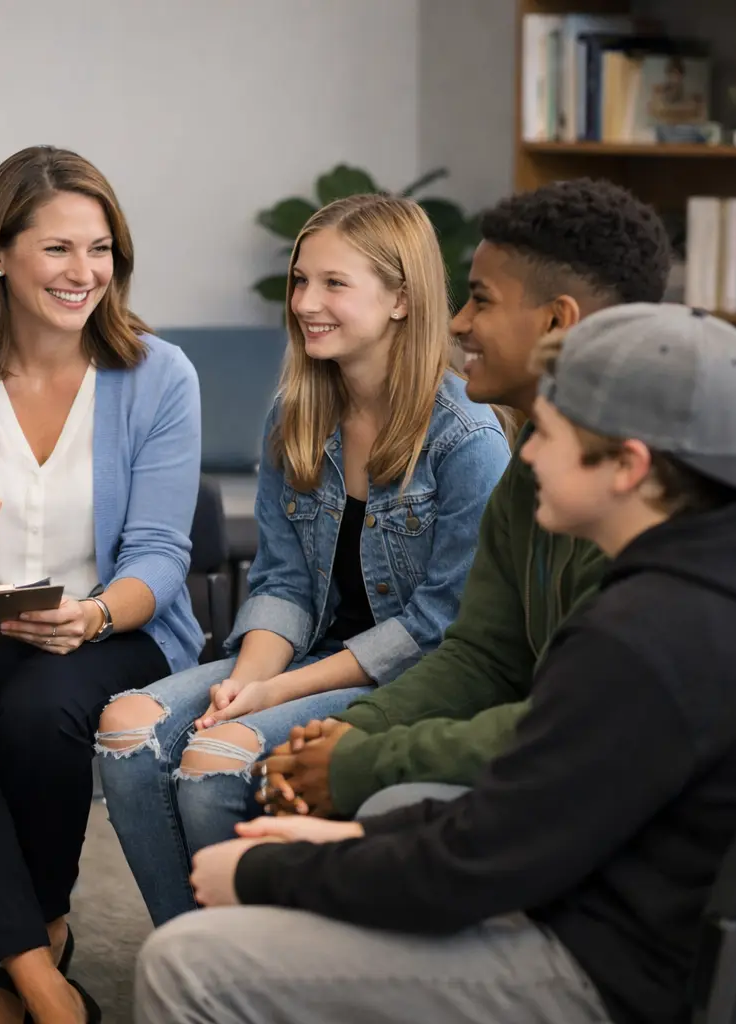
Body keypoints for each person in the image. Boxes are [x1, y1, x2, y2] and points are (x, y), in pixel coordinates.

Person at [138, 303, 736, 1024]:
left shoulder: (647, 634)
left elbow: (485, 860)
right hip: (696, 926)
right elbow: (539, 802)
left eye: (553, 434)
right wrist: (357, 837)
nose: (529, 454)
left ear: (629, 467)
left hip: (621, 972)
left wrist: (266, 872)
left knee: (188, 961)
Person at [94, 193, 510, 925]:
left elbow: (434, 629)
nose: (305, 303)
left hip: (410, 678)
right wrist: (249, 681)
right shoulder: (297, 415)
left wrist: (274, 695)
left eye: (333, 284)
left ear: (402, 300)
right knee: (128, 726)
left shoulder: (466, 441)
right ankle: (188, 956)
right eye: (299, 281)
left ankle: (243, 971)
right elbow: (283, 580)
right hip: (304, 652)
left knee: (213, 762)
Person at [0, 145, 202, 1024]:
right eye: (58, 249)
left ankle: (38, 938)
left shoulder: (158, 374)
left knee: (42, 709)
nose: (83, 272)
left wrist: (93, 617)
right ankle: (37, 975)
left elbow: (162, 556)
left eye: (100, 249)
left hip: (115, 624)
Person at [258, 178, 674, 822]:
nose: (456, 321)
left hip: (621, 841)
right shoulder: (534, 456)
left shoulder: (650, 511)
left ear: (557, 322)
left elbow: (574, 723)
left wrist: (357, 754)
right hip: (543, 775)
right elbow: (481, 654)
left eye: (479, 300)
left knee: (376, 806)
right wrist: (354, 729)